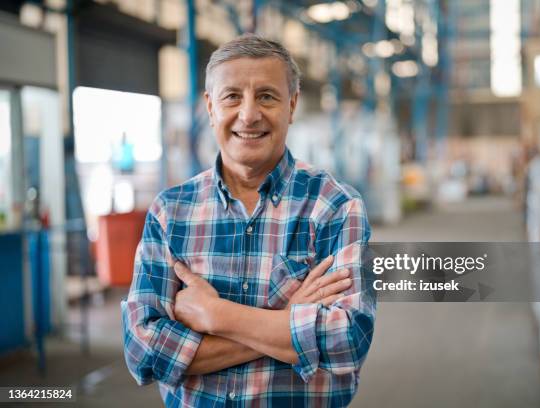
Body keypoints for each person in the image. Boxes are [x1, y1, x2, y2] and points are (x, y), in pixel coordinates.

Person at [121, 34, 375, 407]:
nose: (249, 114)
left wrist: (216, 314)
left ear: (292, 104)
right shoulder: (170, 211)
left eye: (267, 96)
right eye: (232, 96)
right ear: (210, 107)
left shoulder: (336, 206)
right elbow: (144, 354)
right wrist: (287, 320)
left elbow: (348, 341)